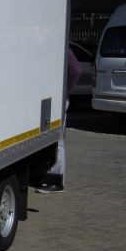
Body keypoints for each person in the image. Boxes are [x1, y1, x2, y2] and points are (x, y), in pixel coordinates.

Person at [37, 44, 81, 193]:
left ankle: (56, 179)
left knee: (58, 140)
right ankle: (47, 175)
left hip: (58, 99)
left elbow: (76, 70)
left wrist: (65, 92)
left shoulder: (62, 47)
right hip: (51, 97)